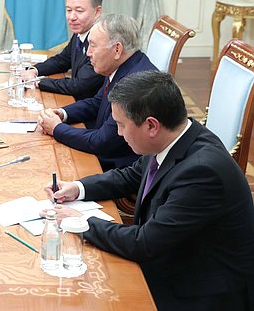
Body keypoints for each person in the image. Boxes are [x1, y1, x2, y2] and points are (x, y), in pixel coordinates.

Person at [45, 71, 254, 311]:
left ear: (151, 125)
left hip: (199, 293)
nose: (119, 133)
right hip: (173, 260)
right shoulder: (176, 137)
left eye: (122, 125)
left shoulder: (203, 173)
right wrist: (77, 188)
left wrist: (81, 222)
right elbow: (131, 175)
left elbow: (144, 243)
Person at [38, 14, 157, 170]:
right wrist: (61, 113)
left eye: (93, 45)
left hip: (118, 168)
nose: (88, 53)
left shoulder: (134, 85)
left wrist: (56, 128)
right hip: (103, 153)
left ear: (117, 49)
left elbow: (102, 142)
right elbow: (96, 103)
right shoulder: (123, 66)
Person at [21, 0, 105, 100]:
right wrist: (34, 70)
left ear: (97, 12)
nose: (72, 17)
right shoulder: (80, 34)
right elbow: (62, 60)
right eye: (68, 10)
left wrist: (38, 82)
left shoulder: (101, 41)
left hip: (89, 111)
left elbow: (79, 85)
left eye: (79, 11)